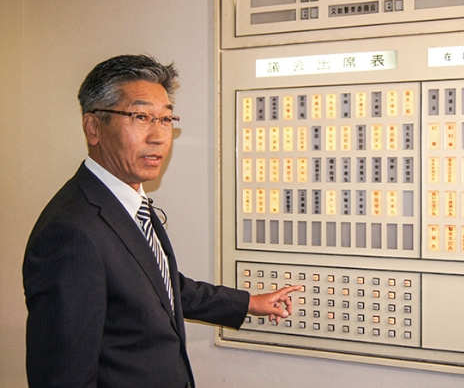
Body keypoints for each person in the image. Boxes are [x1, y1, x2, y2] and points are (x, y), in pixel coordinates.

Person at [22, 54, 301, 388]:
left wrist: (247, 303)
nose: (158, 136)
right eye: (140, 117)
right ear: (93, 127)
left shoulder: (125, 200)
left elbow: (157, 284)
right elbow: (62, 378)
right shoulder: (71, 232)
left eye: (166, 119)